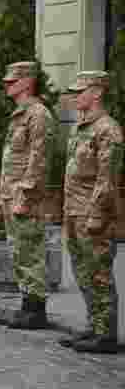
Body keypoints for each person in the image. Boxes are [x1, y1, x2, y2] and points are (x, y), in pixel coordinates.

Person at [60, 71, 122, 353]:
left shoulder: (107, 130)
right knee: (82, 271)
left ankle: (106, 332)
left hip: (93, 214)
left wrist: (97, 214)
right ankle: (92, 325)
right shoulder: (80, 127)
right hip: (74, 211)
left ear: (96, 93)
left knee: (99, 272)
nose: (75, 96)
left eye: (80, 90)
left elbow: (106, 180)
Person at [0, 61, 56, 330]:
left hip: (26, 197)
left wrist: (25, 195)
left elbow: (38, 159)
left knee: (30, 252)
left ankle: (36, 310)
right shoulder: (20, 114)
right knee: (19, 251)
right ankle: (27, 306)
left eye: (13, 81)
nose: (7, 85)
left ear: (27, 83)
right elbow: (13, 159)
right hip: (13, 193)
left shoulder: (38, 115)